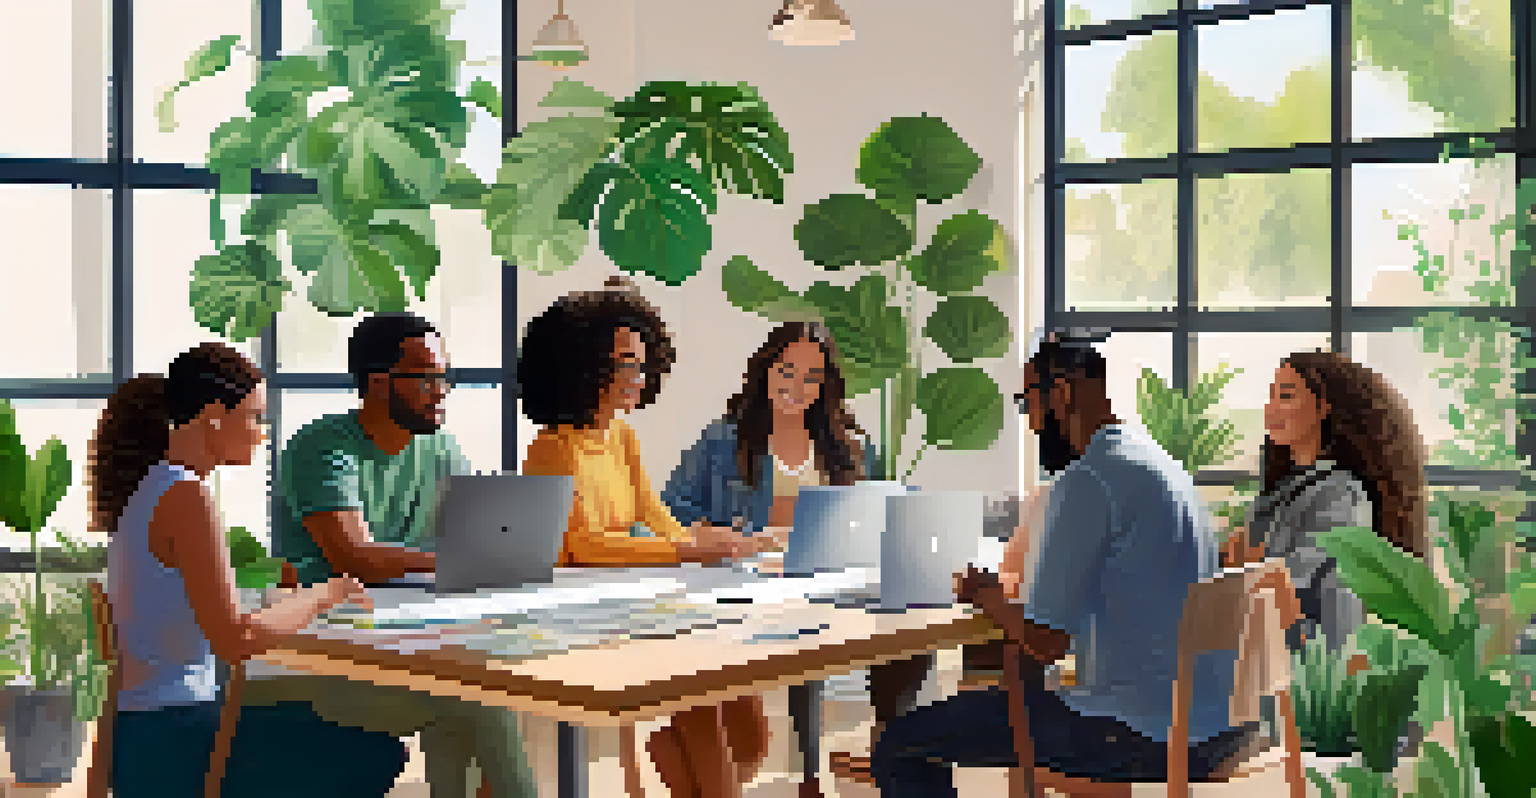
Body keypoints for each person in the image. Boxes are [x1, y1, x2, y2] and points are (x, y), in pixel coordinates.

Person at [868, 333, 1252, 797]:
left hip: (1135, 733)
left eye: (1028, 403)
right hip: (1212, 725)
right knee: (1002, 705)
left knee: (901, 743)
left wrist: (986, 595)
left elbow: (1046, 643)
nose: (1030, 423)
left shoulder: (1090, 479)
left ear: (1062, 393)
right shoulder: (1159, 462)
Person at [94, 343, 407, 798]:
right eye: (256, 416)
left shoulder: (152, 488)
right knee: (374, 752)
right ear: (214, 416)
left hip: (150, 734)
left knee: (317, 722)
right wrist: (326, 593)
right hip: (175, 743)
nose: (263, 431)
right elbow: (235, 639)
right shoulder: (186, 498)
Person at [520, 279, 777, 798]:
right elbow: (582, 547)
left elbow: (653, 515)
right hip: (584, 608)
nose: (637, 377)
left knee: (748, 726)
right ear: (583, 366)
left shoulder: (621, 436)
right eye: (624, 364)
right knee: (702, 691)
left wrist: (716, 541)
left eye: (642, 363)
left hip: (641, 593)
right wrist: (686, 549)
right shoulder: (553, 450)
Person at [269, 312, 536, 798]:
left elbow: (470, 542)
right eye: (427, 377)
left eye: (445, 377)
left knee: (472, 691)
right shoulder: (322, 449)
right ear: (376, 382)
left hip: (414, 635)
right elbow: (358, 559)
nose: (442, 390)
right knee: (481, 700)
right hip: (326, 654)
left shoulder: (441, 448)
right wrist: (460, 558)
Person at [661, 321, 883, 798]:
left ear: (825, 386)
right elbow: (670, 510)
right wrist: (717, 535)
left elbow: (876, 513)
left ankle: (820, 775)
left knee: (900, 643)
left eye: (811, 377)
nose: (795, 387)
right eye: (786, 370)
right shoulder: (725, 441)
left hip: (823, 588)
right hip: (741, 593)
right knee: (742, 733)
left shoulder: (848, 445)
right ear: (766, 370)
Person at [1222, 350, 1428, 651]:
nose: (1271, 409)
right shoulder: (1285, 488)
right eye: (1271, 397)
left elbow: (1281, 583)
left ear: (1323, 407)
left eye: (1286, 396)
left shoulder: (1342, 494)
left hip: (1314, 666)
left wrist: (1248, 563)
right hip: (1267, 651)